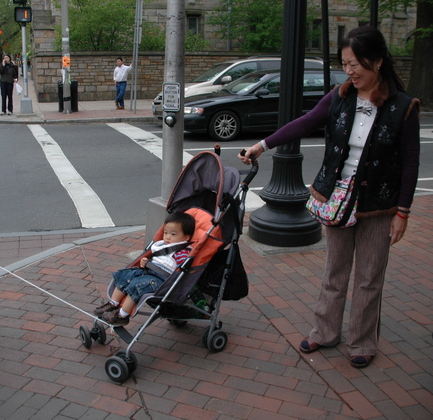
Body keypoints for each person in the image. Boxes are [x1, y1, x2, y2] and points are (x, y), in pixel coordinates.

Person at [238, 26, 420, 369]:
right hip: (338, 198)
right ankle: (325, 331)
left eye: (356, 64)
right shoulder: (340, 96)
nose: (350, 71)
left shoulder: (402, 106)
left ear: (378, 62)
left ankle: (363, 341)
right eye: (345, 63)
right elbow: (304, 123)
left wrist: (403, 213)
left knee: (369, 276)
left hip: (379, 205)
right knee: (335, 271)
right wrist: (262, 146)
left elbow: (411, 162)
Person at [94, 212, 196, 326]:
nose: (167, 237)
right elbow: (156, 258)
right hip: (148, 272)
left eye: (173, 234)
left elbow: (180, 269)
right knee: (124, 275)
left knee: (136, 285)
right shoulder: (162, 245)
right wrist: (146, 262)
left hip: (161, 280)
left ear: (186, 237)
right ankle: (113, 303)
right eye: (165, 232)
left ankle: (122, 315)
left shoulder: (182, 251)